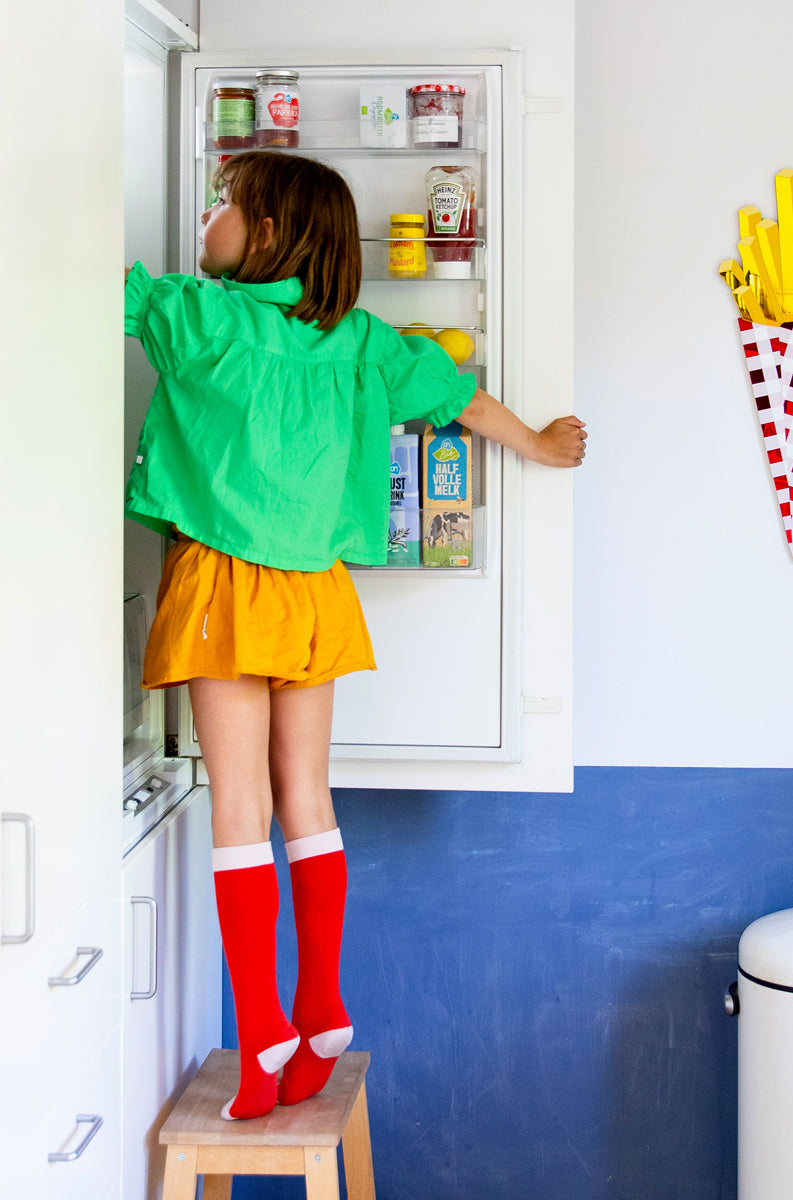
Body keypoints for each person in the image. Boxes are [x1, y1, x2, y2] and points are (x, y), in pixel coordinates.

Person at [124, 151, 586, 1121]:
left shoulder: (196, 316)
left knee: (239, 801)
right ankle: (320, 1001)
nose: (208, 219)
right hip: (319, 592)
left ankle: (262, 1033)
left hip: (222, 581)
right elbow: (458, 395)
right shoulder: (364, 340)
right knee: (308, 796)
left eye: (225, 205)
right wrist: (540, 444)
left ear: (266, 234)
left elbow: (82, 279)